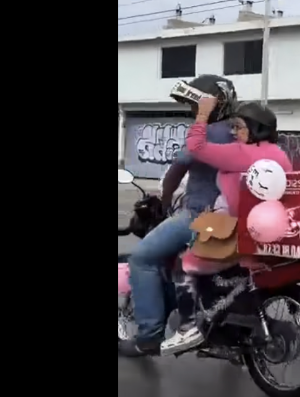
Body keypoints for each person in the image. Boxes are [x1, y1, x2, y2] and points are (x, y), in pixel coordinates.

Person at [158, 99, 293, 356]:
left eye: (240, 127)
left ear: (256, 130)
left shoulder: (241, 154)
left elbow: (196, 147)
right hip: (265, 231)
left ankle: (187, 328)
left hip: (235, 231)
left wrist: (203, 114)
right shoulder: (279, 155)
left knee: (184, 265)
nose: (235, 133)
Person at [119, 75, 239, 358]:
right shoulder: (240, 131)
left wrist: (162, 202)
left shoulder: (208, 133)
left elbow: (176, 172)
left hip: (201, 215)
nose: (193, 113)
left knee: (143, 258)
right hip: (236, 216)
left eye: (197, 107)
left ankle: (149, 335)